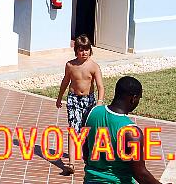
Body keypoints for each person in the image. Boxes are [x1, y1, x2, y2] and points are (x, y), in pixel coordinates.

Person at [82, 76, 161, 184]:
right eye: (139, 98)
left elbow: (85, 152)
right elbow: (140, 174)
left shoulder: (91, 112)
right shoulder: (132, 132)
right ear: (133, 98)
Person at [56, 35, 105, 175]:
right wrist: (60, 97)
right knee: (73, 129)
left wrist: (99, 103)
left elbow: (100, 86)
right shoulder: (70, 65)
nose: (84, 53)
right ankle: (71, 163)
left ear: (90, 50)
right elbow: (65, 82)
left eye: (87, 49)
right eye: (81, 50)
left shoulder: (94, 66)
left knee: (88, 130)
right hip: (73, 100)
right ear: (76, 51)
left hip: (89, 101)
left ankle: (90, 157)